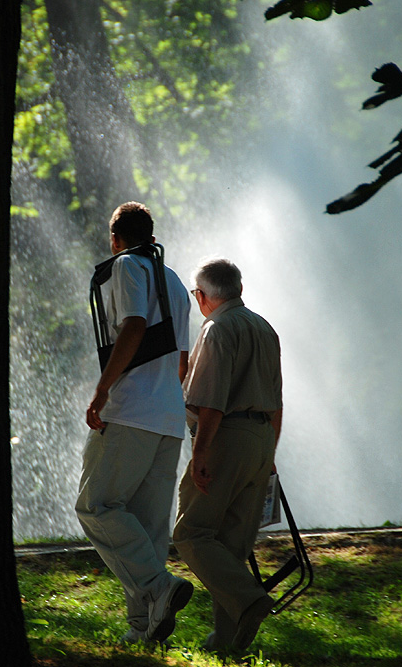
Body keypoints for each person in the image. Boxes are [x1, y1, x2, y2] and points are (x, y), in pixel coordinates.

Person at [76, 202, 193, 645]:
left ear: (115, 238)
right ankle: (145, 627)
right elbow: (181, 358)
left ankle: (159, 587)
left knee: (96, 506)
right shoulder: (176, 280)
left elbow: (134, 325)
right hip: (168, 417)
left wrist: (103, 389)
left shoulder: (127, 265)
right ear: (152, 232)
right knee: (145, 528)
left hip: (131, 411)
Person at [173, 257, 283, 654]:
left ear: (203, 296)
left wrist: (200, 452)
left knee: (191, 534)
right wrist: (270, 448)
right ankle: (228, 641)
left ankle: (250, 600)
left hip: (227, 437)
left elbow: (211, 402)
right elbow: (277, 400)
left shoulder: (216, 329)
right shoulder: (264, 327)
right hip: (260, 439)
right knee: (232, 546)